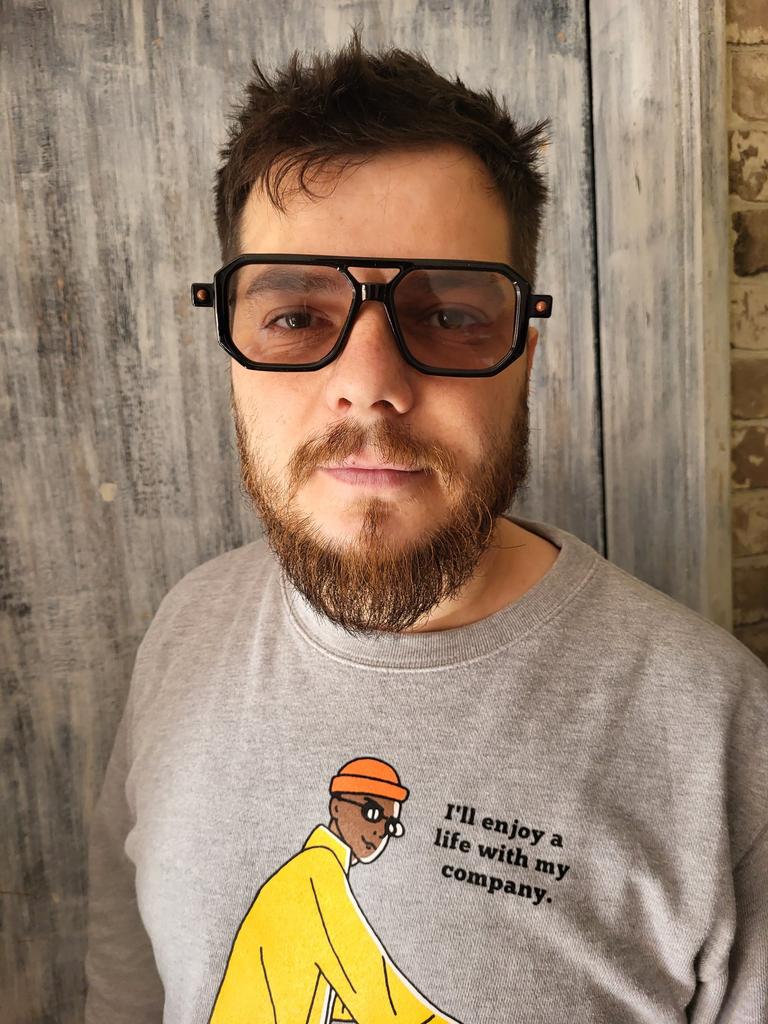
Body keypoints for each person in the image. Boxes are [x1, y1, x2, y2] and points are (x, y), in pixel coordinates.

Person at [85, 29, 768, 1024]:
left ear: (524, 353)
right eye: (295, 316)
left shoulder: (718, 735)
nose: (369, 384)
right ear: (232, 348)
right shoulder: (186, 632)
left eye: (447, 315)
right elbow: (131, 986)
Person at [208, 757, 459, 1022]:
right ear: (336, 807)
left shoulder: (311, 872)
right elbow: (382, 999)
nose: (379, 832)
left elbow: (331, 990)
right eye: (372, 813)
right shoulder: (316, 870)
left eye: (389, 826)